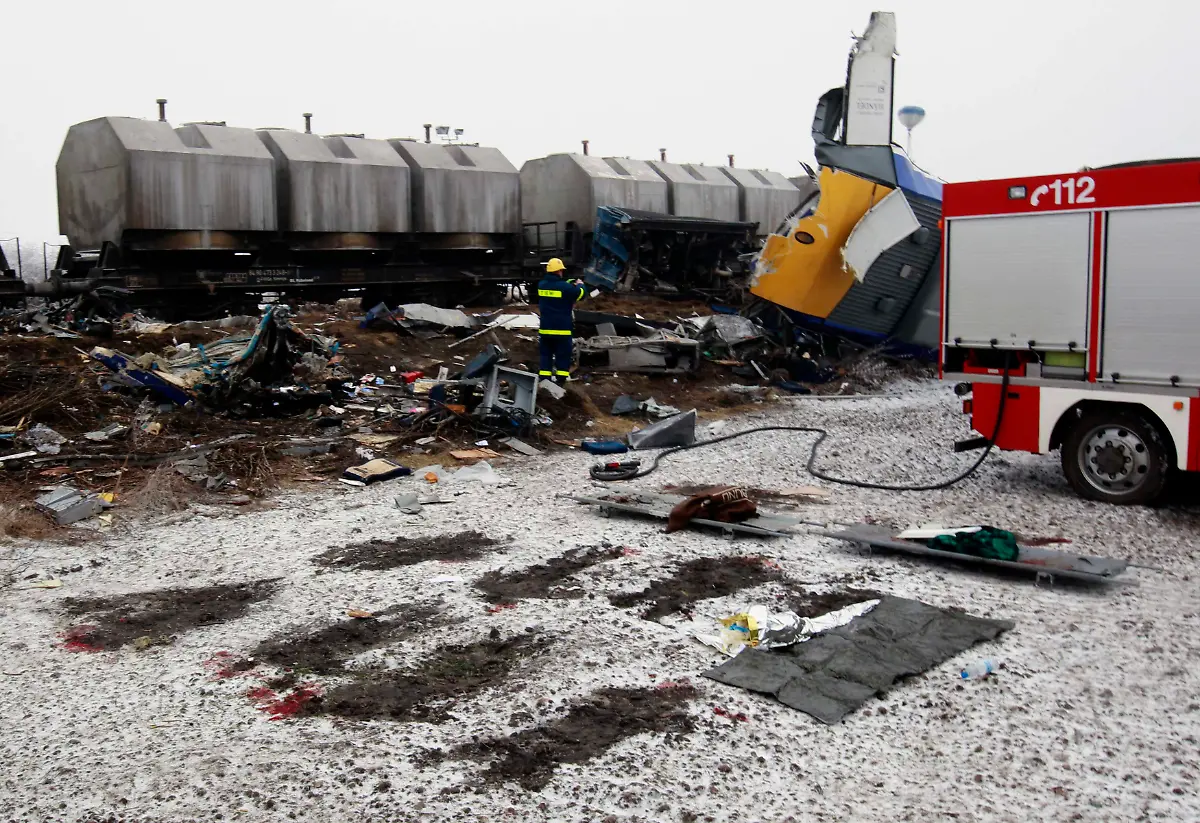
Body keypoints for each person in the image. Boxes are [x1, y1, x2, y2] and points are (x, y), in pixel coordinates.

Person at [536, 258, 586, 384]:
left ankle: (545, 380)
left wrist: (568, 283)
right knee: (563, 355)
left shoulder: (541, 285)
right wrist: (580, 284)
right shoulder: (566, 288)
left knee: (545, 355)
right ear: (558, 271)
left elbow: (558, 289)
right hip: (562, 330)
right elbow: (580, 294)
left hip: (545, 329)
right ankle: (561, 381)